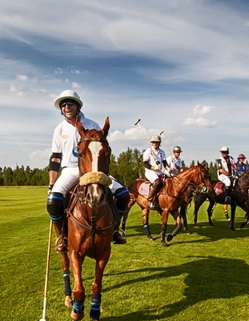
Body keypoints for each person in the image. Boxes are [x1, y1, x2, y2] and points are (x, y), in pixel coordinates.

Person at [46, 90, 129, 252]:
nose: (66, 107)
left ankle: (114, 230)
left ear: (77, 106)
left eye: (70, 103)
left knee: (123, 194)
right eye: (63, 105)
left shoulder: (92, 125)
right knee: (53, 201)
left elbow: (102, 151)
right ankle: (62, 236)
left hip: (94, 171)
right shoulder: (59, 129)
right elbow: (55, 157)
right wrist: (51, 183)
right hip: (70, 170)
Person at [143, 135, 171, 208]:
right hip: (150, 171)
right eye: (153, 142)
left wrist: (168, 168)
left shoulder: (162, 152)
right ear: (151, 143)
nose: (155, 144)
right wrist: (154, 167)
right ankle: (150, 200)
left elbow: (165, 162)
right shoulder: (148, 151)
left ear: (159, 143)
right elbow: (144, 164)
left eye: (156, 142)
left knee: (171, 179)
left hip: (159, 171)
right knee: (158, 182)